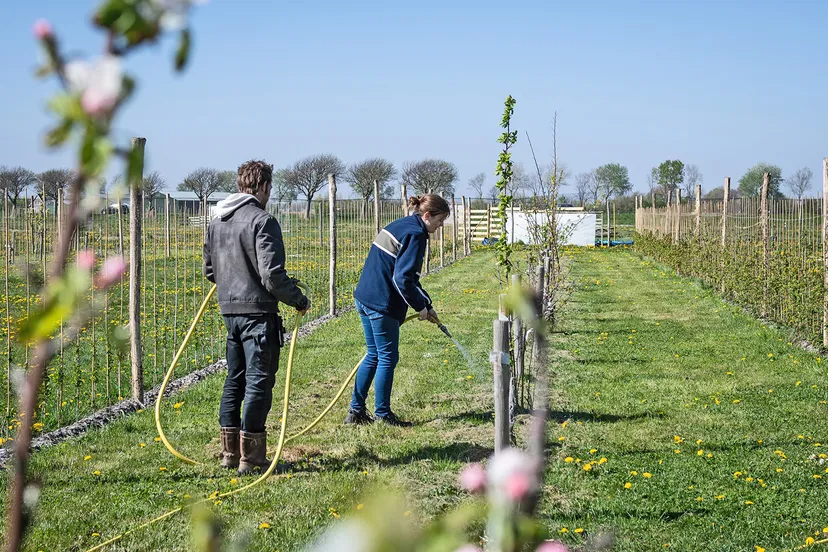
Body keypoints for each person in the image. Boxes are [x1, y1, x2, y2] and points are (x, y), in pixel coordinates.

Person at [203, 159, 310, 474]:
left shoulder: (216, 221)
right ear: (263, 187)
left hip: (229, 312)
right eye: (269, 188)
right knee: (258, 382)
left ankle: (229, 454)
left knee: (234, 379)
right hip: (258, 314)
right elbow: (272, 276)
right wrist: (298, 299)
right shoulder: (263, 221)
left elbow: (211, 271)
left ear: (240, 185)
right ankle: (252, 458)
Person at [345, 193, 450, 427]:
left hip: (364, 297)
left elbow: (409, 276)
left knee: (374, 354)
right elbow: (402, 279)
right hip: (381, 303)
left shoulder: (403, 224)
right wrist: (420, 307)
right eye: (440, 220)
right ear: (427, 215)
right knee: (387, 357)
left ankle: (356, 412)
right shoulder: (416, 234)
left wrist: (426, 304)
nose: (441, 226)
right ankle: (382, 414)